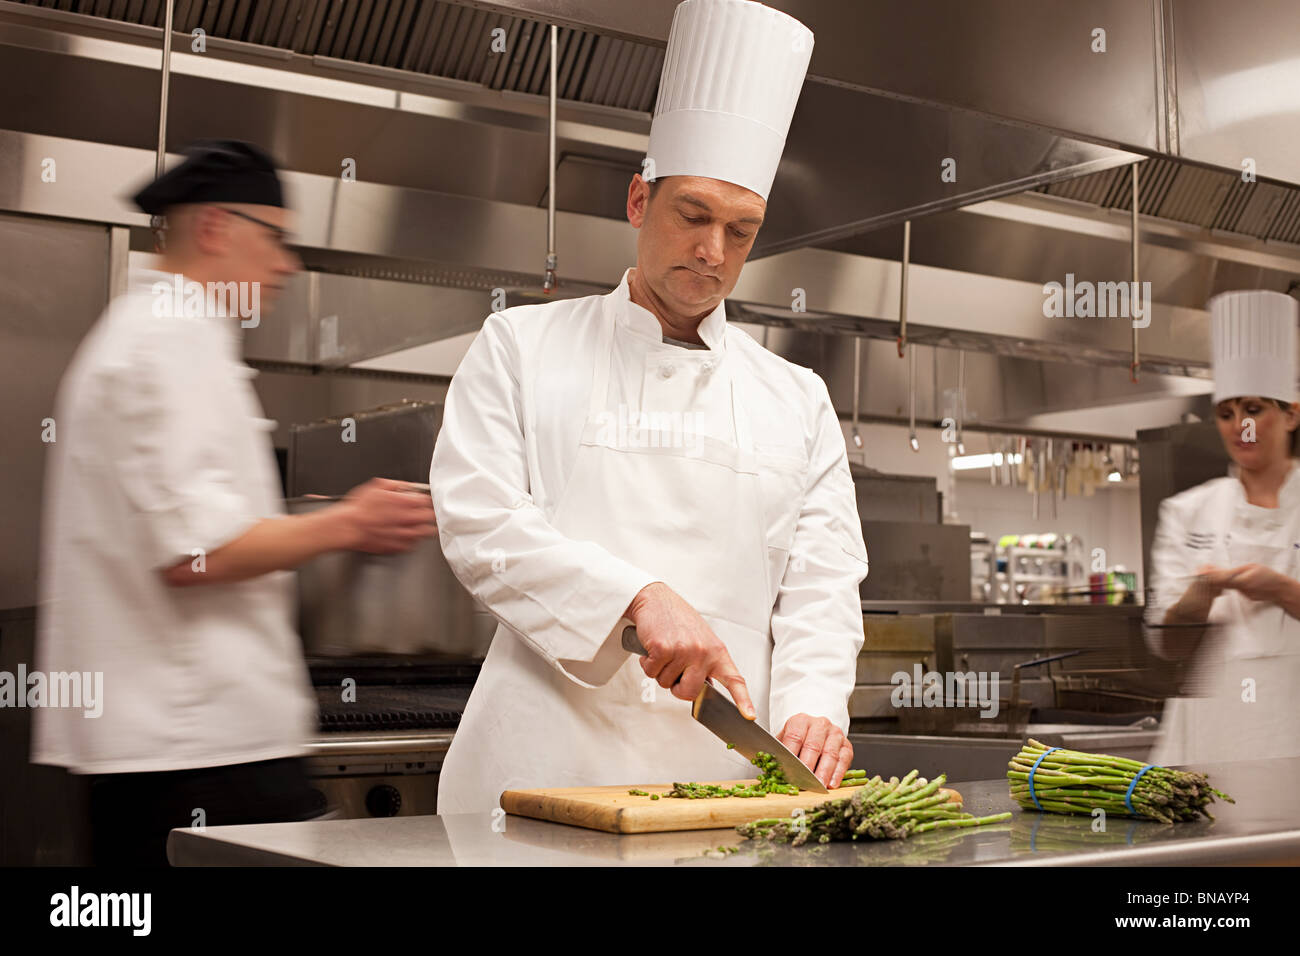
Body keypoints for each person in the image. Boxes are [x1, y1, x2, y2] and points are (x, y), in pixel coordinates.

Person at [431, 0, 869, 814]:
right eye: (692, 215)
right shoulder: (520, 346)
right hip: (538, 777)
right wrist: (636, 597)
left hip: (726, 788)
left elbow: (823, 584)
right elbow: (477, 522)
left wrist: (814, 704)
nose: (712, 251)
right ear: (639, 201)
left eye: (741, 231)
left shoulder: (797, 399)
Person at [31, 140, 437, 865]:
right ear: (216, 227)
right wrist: (352, 521)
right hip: (196, 749)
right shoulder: (167, 340)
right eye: (275, 238)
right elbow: (193, 553)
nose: (287, 265)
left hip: (178, 742)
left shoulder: (162, 335)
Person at [1146, 288, 1300, 766]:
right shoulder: (1188, 510)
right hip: (1217, 739)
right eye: (1226, 413)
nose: (1240, 428)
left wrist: (1282, 591)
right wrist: (1194, 603)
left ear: (1292, 413)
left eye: (1254, 409)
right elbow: (1167, 647)